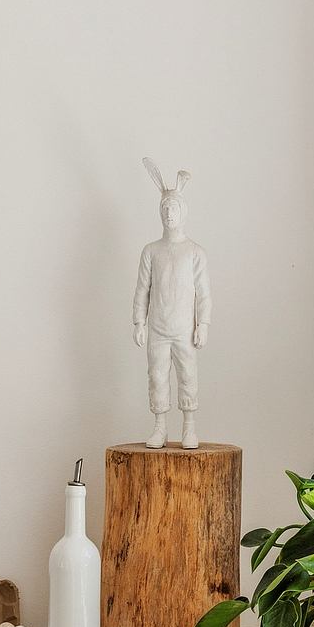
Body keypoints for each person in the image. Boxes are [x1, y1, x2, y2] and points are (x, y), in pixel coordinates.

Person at [132, 158, 211, 449]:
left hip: (183, 329)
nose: (168, 213)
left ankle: (189, 426)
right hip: (158, 328)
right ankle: (160, 427)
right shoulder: (151, 252)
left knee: (187, 374)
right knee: (156, 375)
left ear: (183, 212)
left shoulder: (194, 253)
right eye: (165, 208)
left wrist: (203, 324)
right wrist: (139, 322)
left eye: (173, 208)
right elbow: (142, 289)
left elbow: (203, 293)